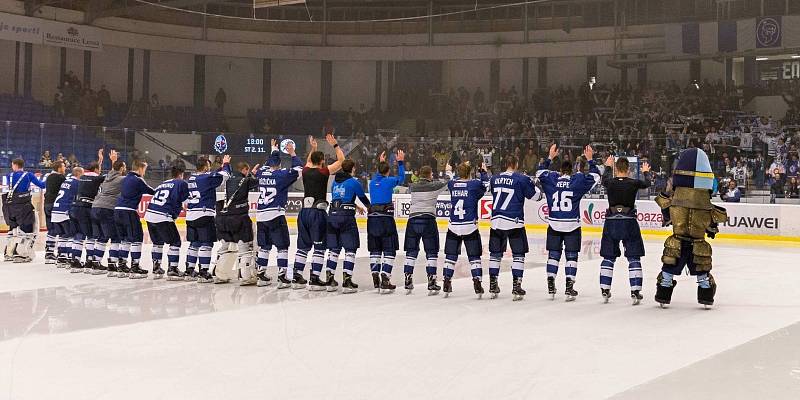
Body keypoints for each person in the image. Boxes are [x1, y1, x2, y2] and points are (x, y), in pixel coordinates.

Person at [654, 148, 727, 308]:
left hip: (677, 242)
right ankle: (706, 297)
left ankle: (663, 296)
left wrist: (668, 191)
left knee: (668, 270)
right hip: (698, 244)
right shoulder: (709, 208)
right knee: (702, 273)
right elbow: (713, 227)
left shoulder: (672, 202)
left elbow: (665, 211)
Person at [536, 144, 599, 301]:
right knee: (571, 256)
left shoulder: (551, 179)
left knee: (553, 255)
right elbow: (596, 177)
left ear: (560, 171)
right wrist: (590, 160)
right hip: (572, 225)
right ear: (570, 171)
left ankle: (551, 284)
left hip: (554, 224)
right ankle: (569, 287)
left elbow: (539, 172)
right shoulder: (576, 181)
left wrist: (550, 157)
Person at [293, 134, 345, 289]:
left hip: (303, 213)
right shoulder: (324, 172)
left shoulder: (305, 171)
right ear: (322, 161)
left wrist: (313, 148)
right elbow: (342, 161)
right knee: (319, 247)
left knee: (303, 247)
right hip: (318, 212)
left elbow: (309, 161)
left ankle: (297, 276)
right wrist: (335, 145)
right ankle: (315, 278)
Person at [598, 156, 651, 305]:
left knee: (608, 257)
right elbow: (647, 183)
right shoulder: (633, 183)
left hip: (611, 223)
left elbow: (603, 180)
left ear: (616, 169)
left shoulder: (610, 182)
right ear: (628, 169)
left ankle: (604, 289)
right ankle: (635, 291)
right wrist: (646, 172)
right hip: (629, 222)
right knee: (634, 258)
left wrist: (608, 167)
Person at [487, 155, 537, 300]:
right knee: (518, 255)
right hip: (514, 222)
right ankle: (516, 285)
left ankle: (492, 284)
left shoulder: (494, 178)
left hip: (496, 222)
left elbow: (488, 189)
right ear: (515, 164)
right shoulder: (521, 179)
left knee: (495, 255)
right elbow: (535, 196)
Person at [255, 139, 302, 288]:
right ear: (280, 164)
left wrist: (273, 150)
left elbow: (264, 167)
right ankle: (282, 276)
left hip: (261, 215)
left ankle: (261, 275)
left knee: (264, 246)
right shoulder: (281, 175)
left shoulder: (261, 172)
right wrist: (292, 153)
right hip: (275, 214)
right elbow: (299, 169)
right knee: (282, 246)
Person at [323, 159, 370, 293]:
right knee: (350, 249)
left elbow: (339, 199)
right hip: (346, 218)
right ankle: (347, 280)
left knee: (334, 249)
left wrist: (355, 206)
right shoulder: (354, 182)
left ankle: (329, 280)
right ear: (353, 168)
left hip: (332, 216)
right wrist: (371, 208)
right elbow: (363, 198)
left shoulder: (335, 183)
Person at [403, 165, 450, 295]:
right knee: (431, 252)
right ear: (430, 175)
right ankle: (432, 281)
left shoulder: (412, 186)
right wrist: (448, 171)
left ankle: (407, 278)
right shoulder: (434, 186)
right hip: (428, 220)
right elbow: (447, 183)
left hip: (412, 221)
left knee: (411, 251)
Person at [444, 162, 489, 298]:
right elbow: (486, 186)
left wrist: (450, 170)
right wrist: (483, 172)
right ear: (470, 172)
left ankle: (446, 280)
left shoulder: (452, 184)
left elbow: (450, 176)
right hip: (470, 226)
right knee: (474, 257)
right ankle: (477, 280)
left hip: (454, 226)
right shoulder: (474, 185)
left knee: (450, 256)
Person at [185, 155, 230, 282]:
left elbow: (212, 176)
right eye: (209, 166)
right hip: (204, 214)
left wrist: (218, 168)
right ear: (205, 167)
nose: (210, 169)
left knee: (194, 244)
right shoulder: (206, 177)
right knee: (207, 243)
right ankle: (204, 272)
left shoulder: (191, 178)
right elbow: (225, 175)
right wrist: (225, 164)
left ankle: (189, 270)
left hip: (191, 215)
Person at [216, 160, 259, 285]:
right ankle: (245, 277)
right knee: (244, 247)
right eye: (247, 171)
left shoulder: (229, 179)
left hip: (223, 218)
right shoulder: (246, 180)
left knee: (225, 247)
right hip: (239, 218)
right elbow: (257, 182)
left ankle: (219, 275)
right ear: (245, 169)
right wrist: (253, 174)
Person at [367, 150, 405, 293]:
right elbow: (401, 178)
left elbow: (380, 173)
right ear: (388, 171)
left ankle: (375, 273)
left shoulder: (372, 183)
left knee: (375, 248)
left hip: (372, 220)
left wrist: (381, 163)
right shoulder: (389, 181)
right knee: (389, 249)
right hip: (386, 219)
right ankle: (385, 276)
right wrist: (400, 162)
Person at [144, 161, 189, 280]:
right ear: (182, 173)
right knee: (175, 242)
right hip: (163, 216)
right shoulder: (181, 183)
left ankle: (156, 268)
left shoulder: (163, 183)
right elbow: (183, 202)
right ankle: (172, 269)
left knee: (157, 243)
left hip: (149, 215)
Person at [114, 159, 155, 278]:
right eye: (144, 170)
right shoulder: (138, 180)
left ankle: (121, 265)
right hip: (129, 211)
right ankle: (135, 266)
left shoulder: (125, 178)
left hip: (117, 211)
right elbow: (151, 191)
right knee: (137, 238)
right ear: (140, 168)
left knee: (125, 240)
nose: (144, 172)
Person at [2, 158, 47, 262]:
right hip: (24, 206)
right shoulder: (28, 175)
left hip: (10, 207)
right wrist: (40, 178)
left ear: (14, 165)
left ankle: (9, 253)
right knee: (27, 230)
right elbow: (42, 185)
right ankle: (22, 254)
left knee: (12, 230)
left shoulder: (10, 176)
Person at [69, 149, 106, 273]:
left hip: (74, 208)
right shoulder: (97, 178)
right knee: (90, 235)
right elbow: (107, 176)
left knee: (78, 235)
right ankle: (90, 261)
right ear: (96, 170)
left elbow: (95, 172)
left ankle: (75, 261)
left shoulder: (83, 176)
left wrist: (100, 160)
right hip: (86, 208)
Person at [91, 150, 125, 276]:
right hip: (107, 208)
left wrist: (113, 161)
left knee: (102, 237)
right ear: (122, 169)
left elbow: (114, 170)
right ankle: (112, 264)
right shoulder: (122, 178)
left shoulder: (108, 177)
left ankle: (96, 263)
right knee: (115, 237)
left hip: (95, 207)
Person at [50, 167, 83, 268]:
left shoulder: (66, 181)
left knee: (62, 235)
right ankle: (69, 259)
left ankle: (61, 258)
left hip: (55, 210)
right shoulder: (76, 183)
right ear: (78, 173)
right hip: (64, 211)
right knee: (70, 235)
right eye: (82, 173)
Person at [43, 161, 67, 263]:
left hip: (47, 204)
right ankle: (62, 254)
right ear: (59, 168)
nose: (65, 168)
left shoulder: (49, 176)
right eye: (63, 166)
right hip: (56, 205)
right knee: (62, 229)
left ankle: (49, 253)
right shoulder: (61, 177)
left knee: (51, 229)